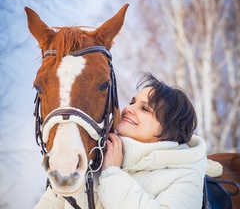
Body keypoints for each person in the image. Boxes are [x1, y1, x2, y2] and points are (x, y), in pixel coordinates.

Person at [34, 72, 207, 209]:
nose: (127, 109)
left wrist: (112, 173)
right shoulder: (91, 158)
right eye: (132, 102)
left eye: (144, 109)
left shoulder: (186, 175)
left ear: (168, 131)